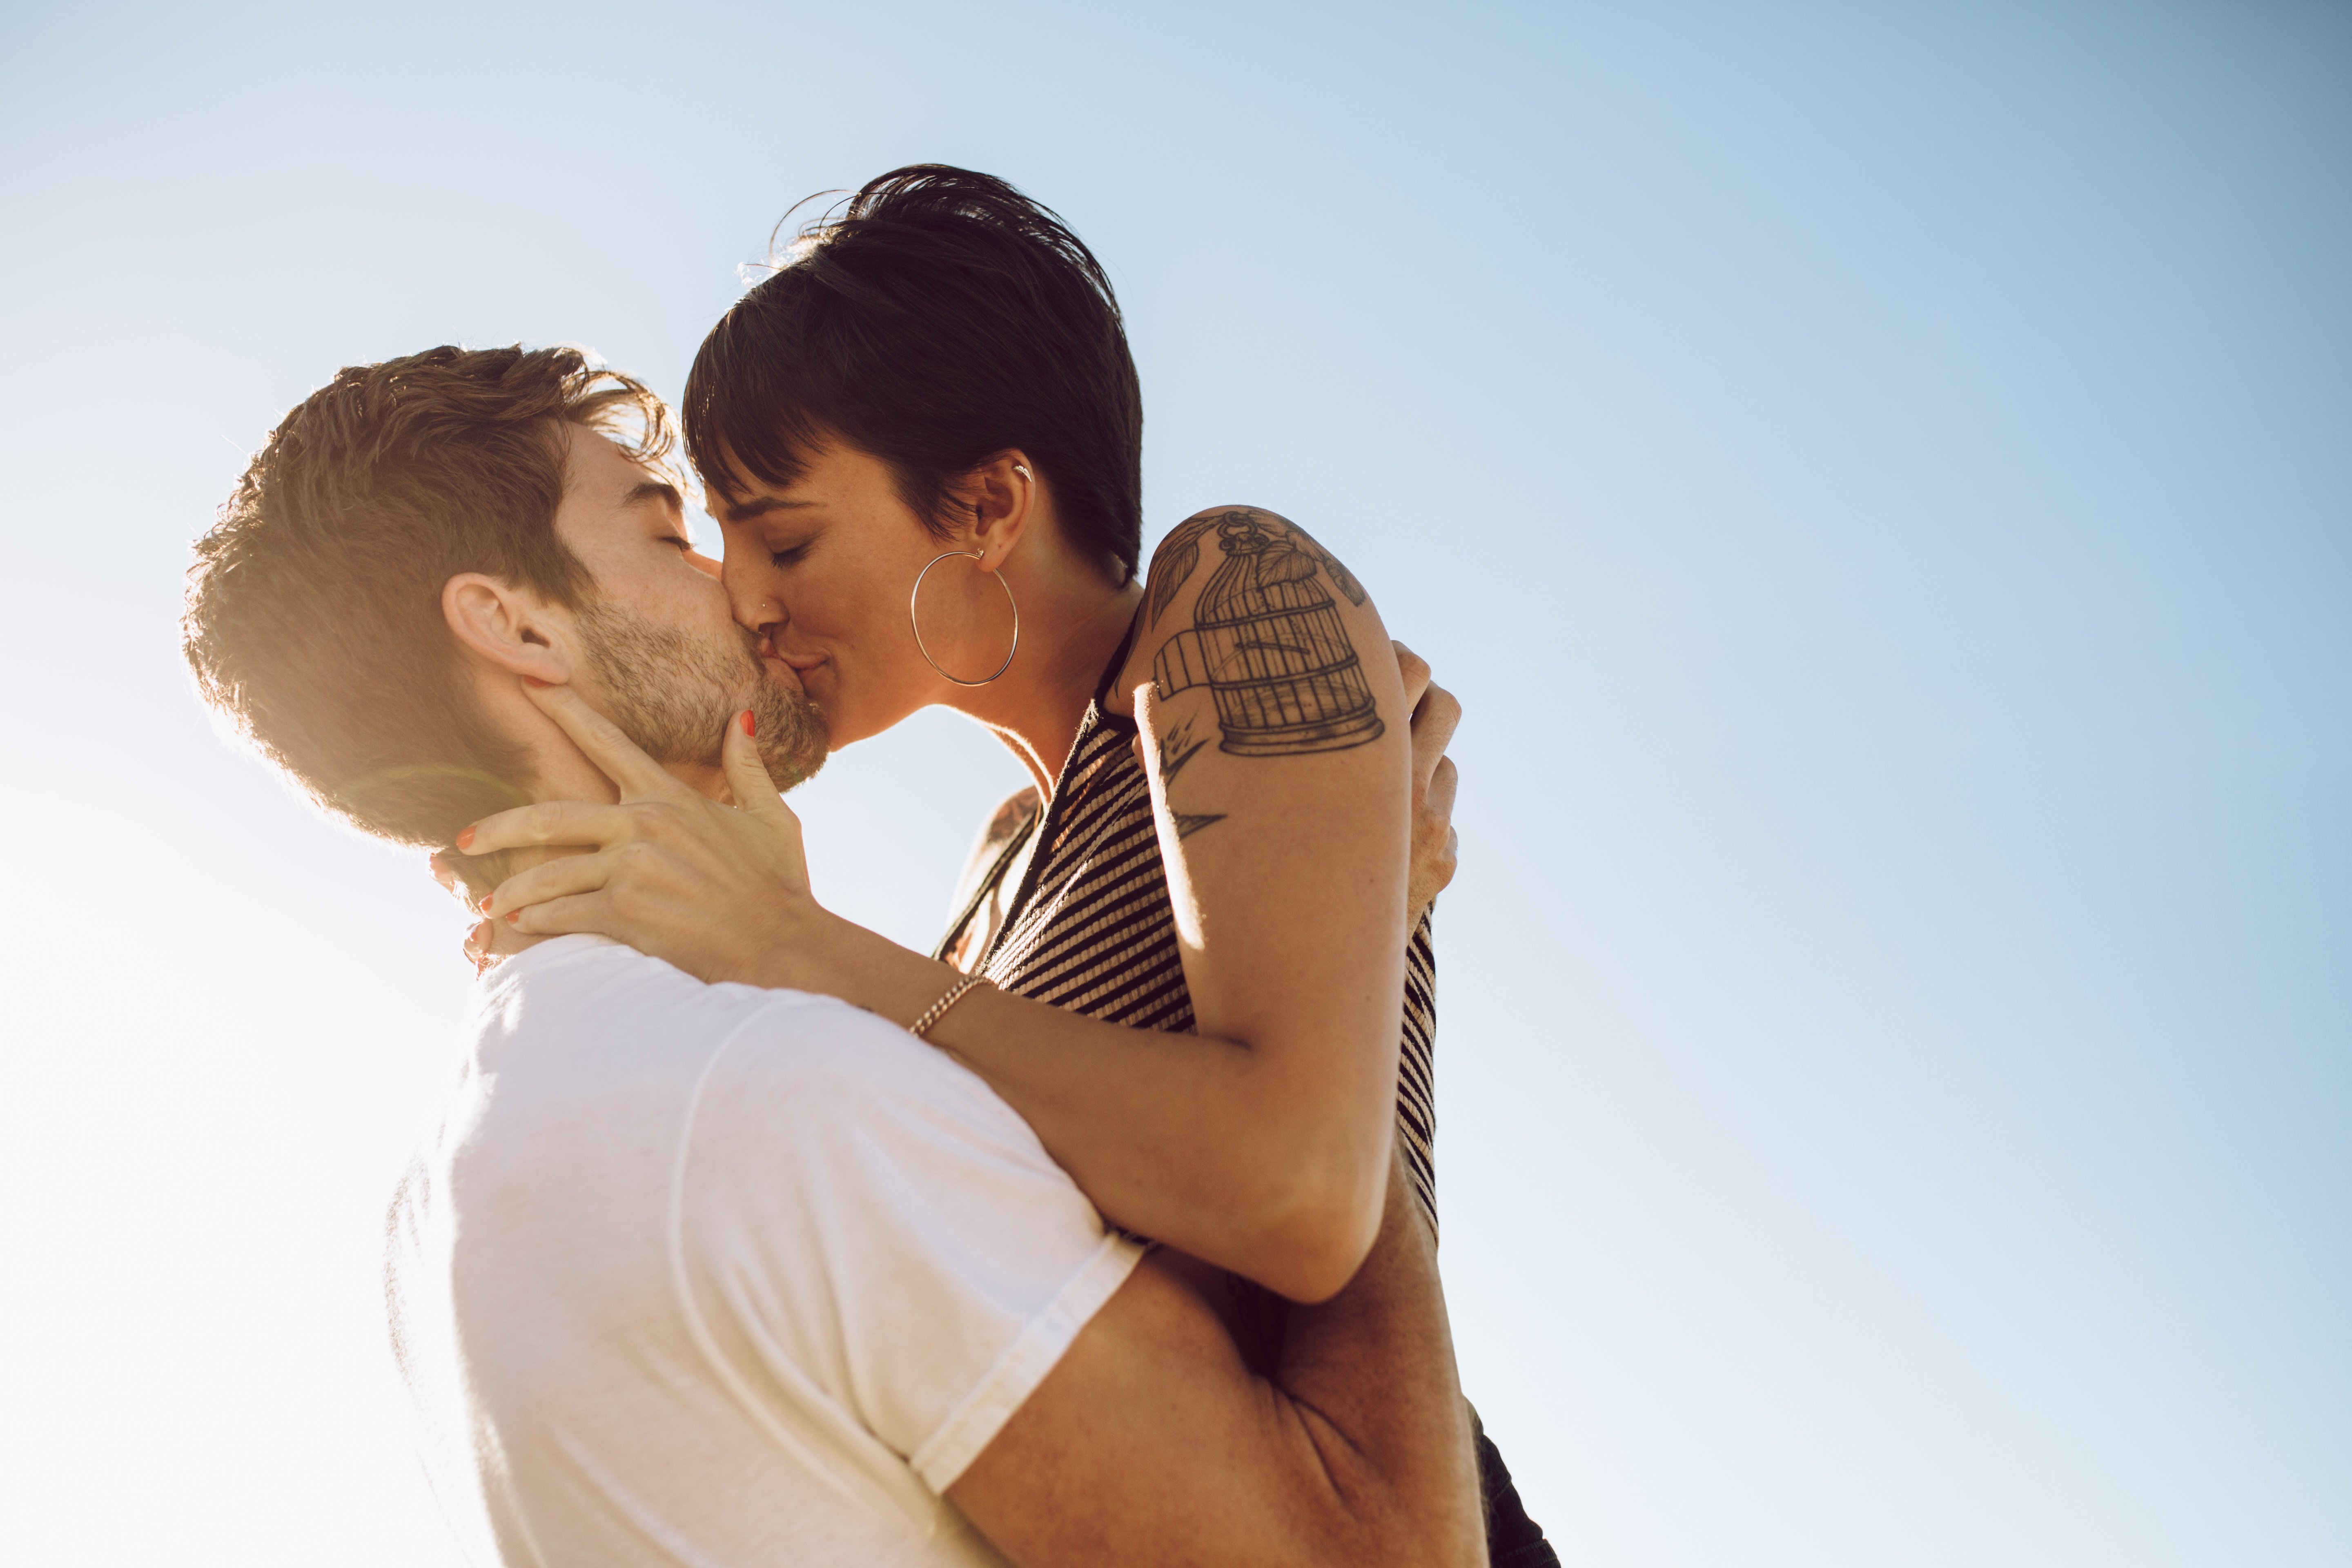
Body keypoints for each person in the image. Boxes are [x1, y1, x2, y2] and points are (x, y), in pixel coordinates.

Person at [180, 344, 1486, 1565]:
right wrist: (1356, 937)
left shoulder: (441, 1208)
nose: (741, 593)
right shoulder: (785, 1103)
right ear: (518, 628)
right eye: (666, 532)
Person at [462, 166, 1555, 1564]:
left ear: (984, 503)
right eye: (722, 538)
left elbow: (1296, 1191)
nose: (743, 595)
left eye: (784, 535)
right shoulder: (994, 866)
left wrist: (789, 945)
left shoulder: (1234, 599)